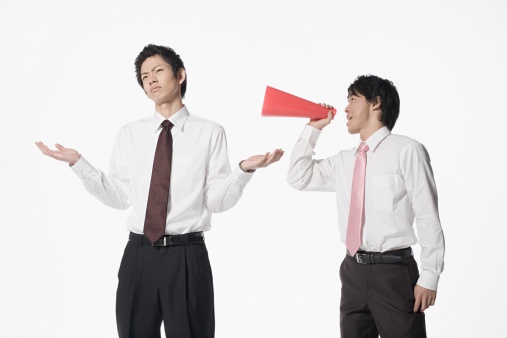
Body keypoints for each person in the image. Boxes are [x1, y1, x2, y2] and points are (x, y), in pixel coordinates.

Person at [36, 44, 283, 338]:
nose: (150, 79)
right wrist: (79, 164)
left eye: (158, 71)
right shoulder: (130, 133)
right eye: (144, 76)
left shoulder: (210, 132)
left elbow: (216, 200)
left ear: (180, 75)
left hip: (187, 256)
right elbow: (118, 196)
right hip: (138, 256)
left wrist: (243, 170)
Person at [286, 74, 444, 338]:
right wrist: (313, 129)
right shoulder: (346, 161)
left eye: (352, 99)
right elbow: (298, 176)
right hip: (352, 271)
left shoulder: (408, 151)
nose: (345, 108)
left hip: (393, 273)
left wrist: (430, 276)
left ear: (376, 103)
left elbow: (428, 214)